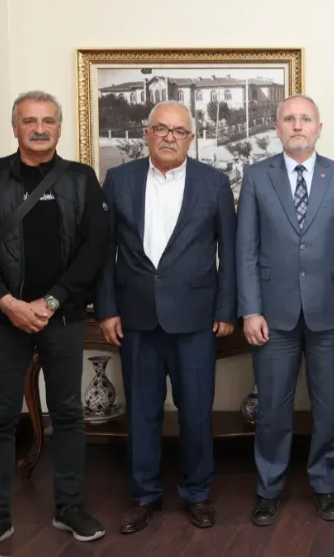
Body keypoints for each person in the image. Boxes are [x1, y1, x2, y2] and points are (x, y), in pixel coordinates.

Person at [0, 91, 110, 553]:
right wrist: (7, 302)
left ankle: (69, 507)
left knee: (68, 414)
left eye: (48, 121)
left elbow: (96, 247)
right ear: (15, 127)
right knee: (0, 418)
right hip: (4, 319)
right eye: (29, 121)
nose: (39, 129)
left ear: (59, 128)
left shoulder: (81, 178)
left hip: (62, 319)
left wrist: (53, 300)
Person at [95, 102, 237, 534]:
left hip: (196, 318)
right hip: (136, 317)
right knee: (142, 411)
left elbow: (229, 252)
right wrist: (107, 309)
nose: (170, 137)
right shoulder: (119, 180)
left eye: (179, 131)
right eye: (161, 129)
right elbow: (103, 252)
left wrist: (226, 309)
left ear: (191, 138)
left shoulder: (214, 182)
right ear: (147, 133)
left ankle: (197, 493)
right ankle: (145, 495)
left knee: (196, 411)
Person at [236, 94, 334, 525]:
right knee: (272, 408)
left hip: (332, 316)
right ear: (276, 128)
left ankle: (325, 485)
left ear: (318, 128)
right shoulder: (256, 177)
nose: (297, 125)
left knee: (328, 409)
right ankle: (268, 488)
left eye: (305, 119)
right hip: (272, 317)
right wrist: (250, 310)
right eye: (289, 119)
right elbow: (246, 250)